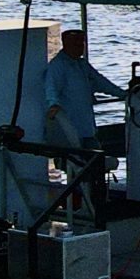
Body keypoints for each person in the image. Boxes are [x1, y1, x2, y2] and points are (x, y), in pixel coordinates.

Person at [42, 26, 125, 223]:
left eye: (82, 43)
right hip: (71, 132)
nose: (80, 47)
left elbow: (101, 82)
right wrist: (53, 105)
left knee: (93, 169)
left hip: (88, 129)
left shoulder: (81, 65)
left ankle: (95, 207)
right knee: (79, 171)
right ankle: (81, 210)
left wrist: (124, 94)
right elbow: (51, 88)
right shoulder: (58, 66)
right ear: (66, 44)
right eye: (76, 43)